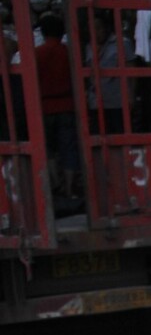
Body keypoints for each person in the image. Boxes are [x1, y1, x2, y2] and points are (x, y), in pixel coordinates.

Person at [35, 12, 81, 202]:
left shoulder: (37, 53)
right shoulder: (68, 53)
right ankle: (69, 189)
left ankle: (54, 184)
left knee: (49, 149)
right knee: (69, 148)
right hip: (67, 105)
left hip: (44, 107)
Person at [85, 11, 134, 134]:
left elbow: (132, 71)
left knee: (120, 133)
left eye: (98, 28)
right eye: (92, 29)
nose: (96, 32)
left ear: (106, 28)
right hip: (96, 101)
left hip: (117, 100)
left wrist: (131, 95)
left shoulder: (122, 43)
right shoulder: (89, 47)